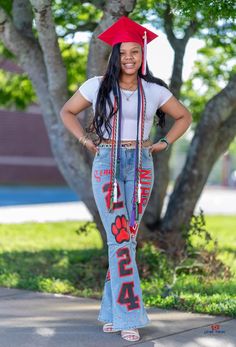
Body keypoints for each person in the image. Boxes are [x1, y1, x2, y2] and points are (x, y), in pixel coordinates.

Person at [60, 16, 192, 342]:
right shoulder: (97, 84)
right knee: (120, 238)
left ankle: (111, 311)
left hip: (141, 164)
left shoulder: (154, 90)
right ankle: (129, 316)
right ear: (116, 55)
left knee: (126, 240)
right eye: (123, 53)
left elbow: (184, 116)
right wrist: (84, 140)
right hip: (107, 163)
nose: (129, 58)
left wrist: (162, 143)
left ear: (143, 55)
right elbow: (67, 111)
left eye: (135, 52)